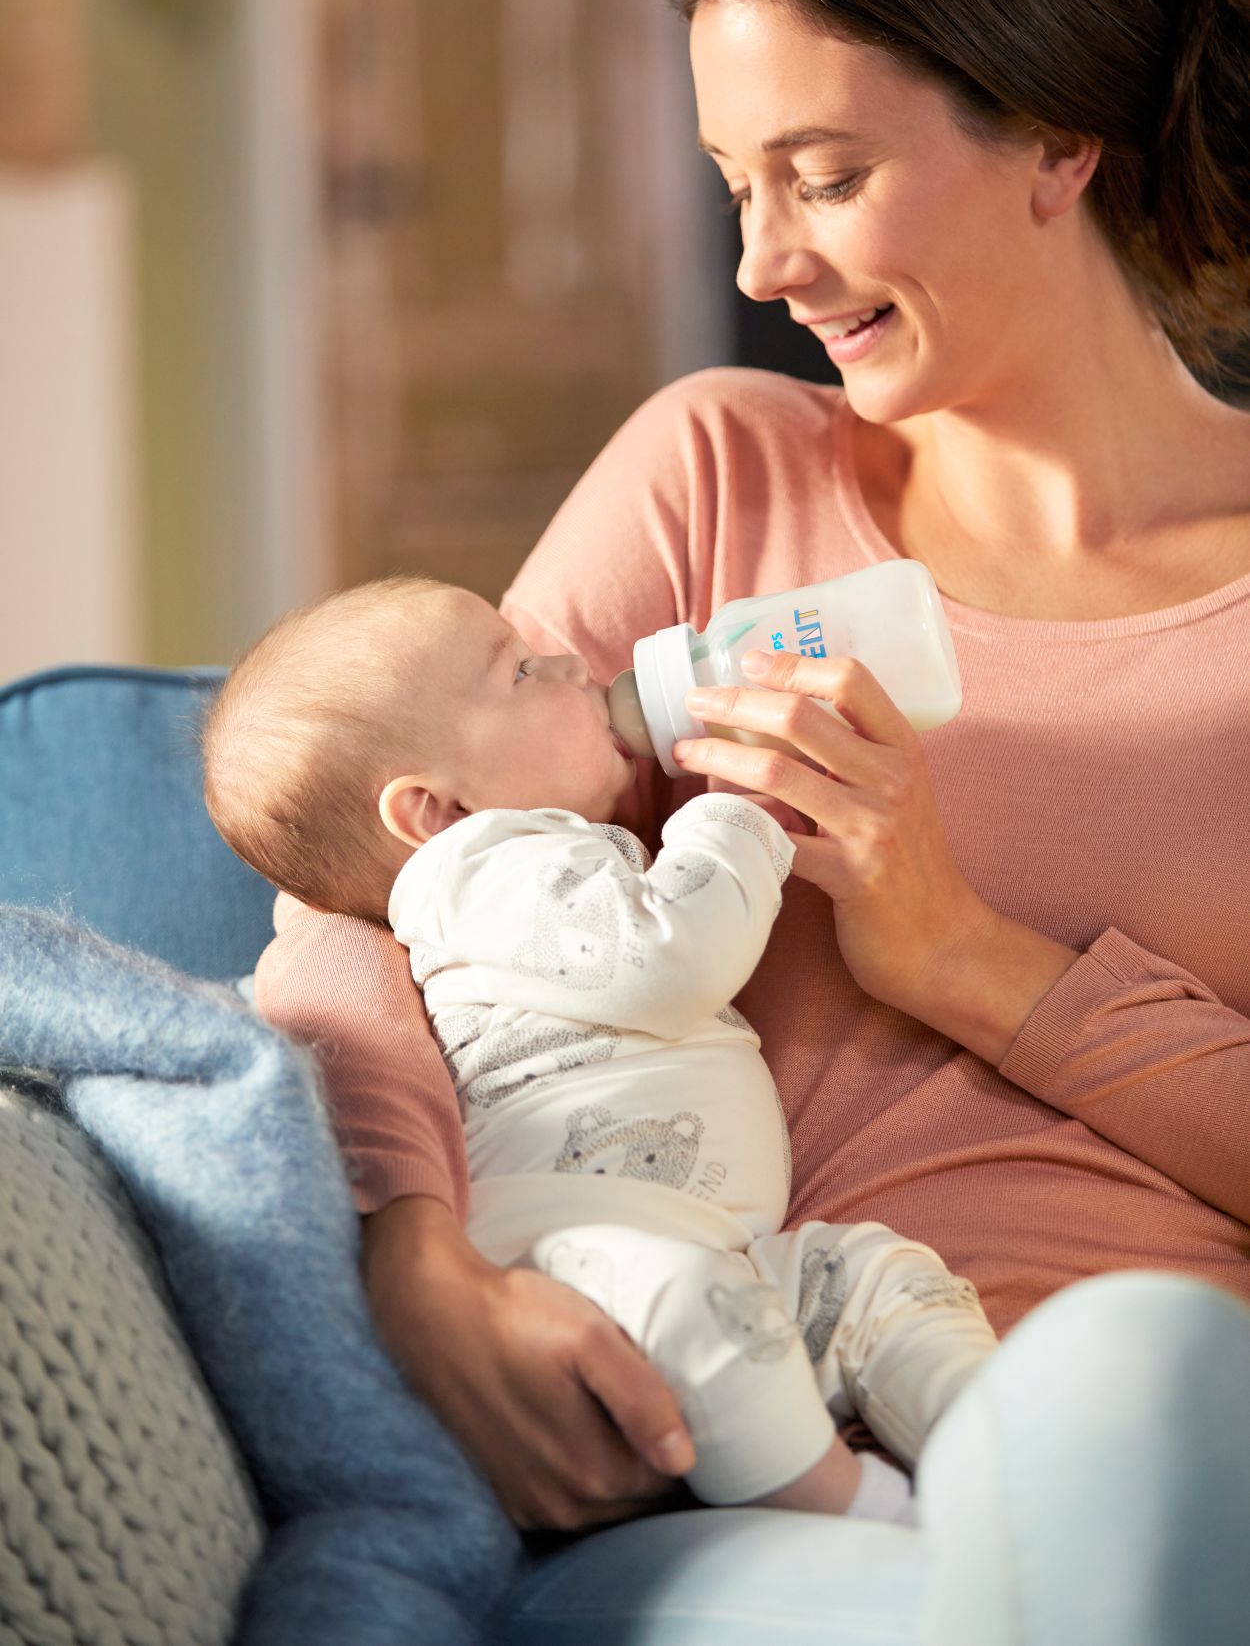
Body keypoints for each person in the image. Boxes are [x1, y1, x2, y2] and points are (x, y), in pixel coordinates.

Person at [253, 0, 1250, 1641]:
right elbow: (360, 888)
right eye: (737, 185)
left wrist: (961, 954)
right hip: (720, 1446)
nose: (759, 266)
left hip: (1147, 1442)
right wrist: (413, 1261)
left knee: (1137, 1386)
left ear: (1061, 140)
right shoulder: (718, 477)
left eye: (828, 175)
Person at [203, 574, 999, 1526]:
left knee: (870, 1277)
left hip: (712, 1255)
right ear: (435, 812)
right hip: (572, 1266)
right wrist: (738, 805)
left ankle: (999, 1445)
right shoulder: (481, 873)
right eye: (523, 670)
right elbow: (670, 956)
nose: (576, 662)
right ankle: (856, 1507)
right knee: (700, 1300)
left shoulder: (535, 856)